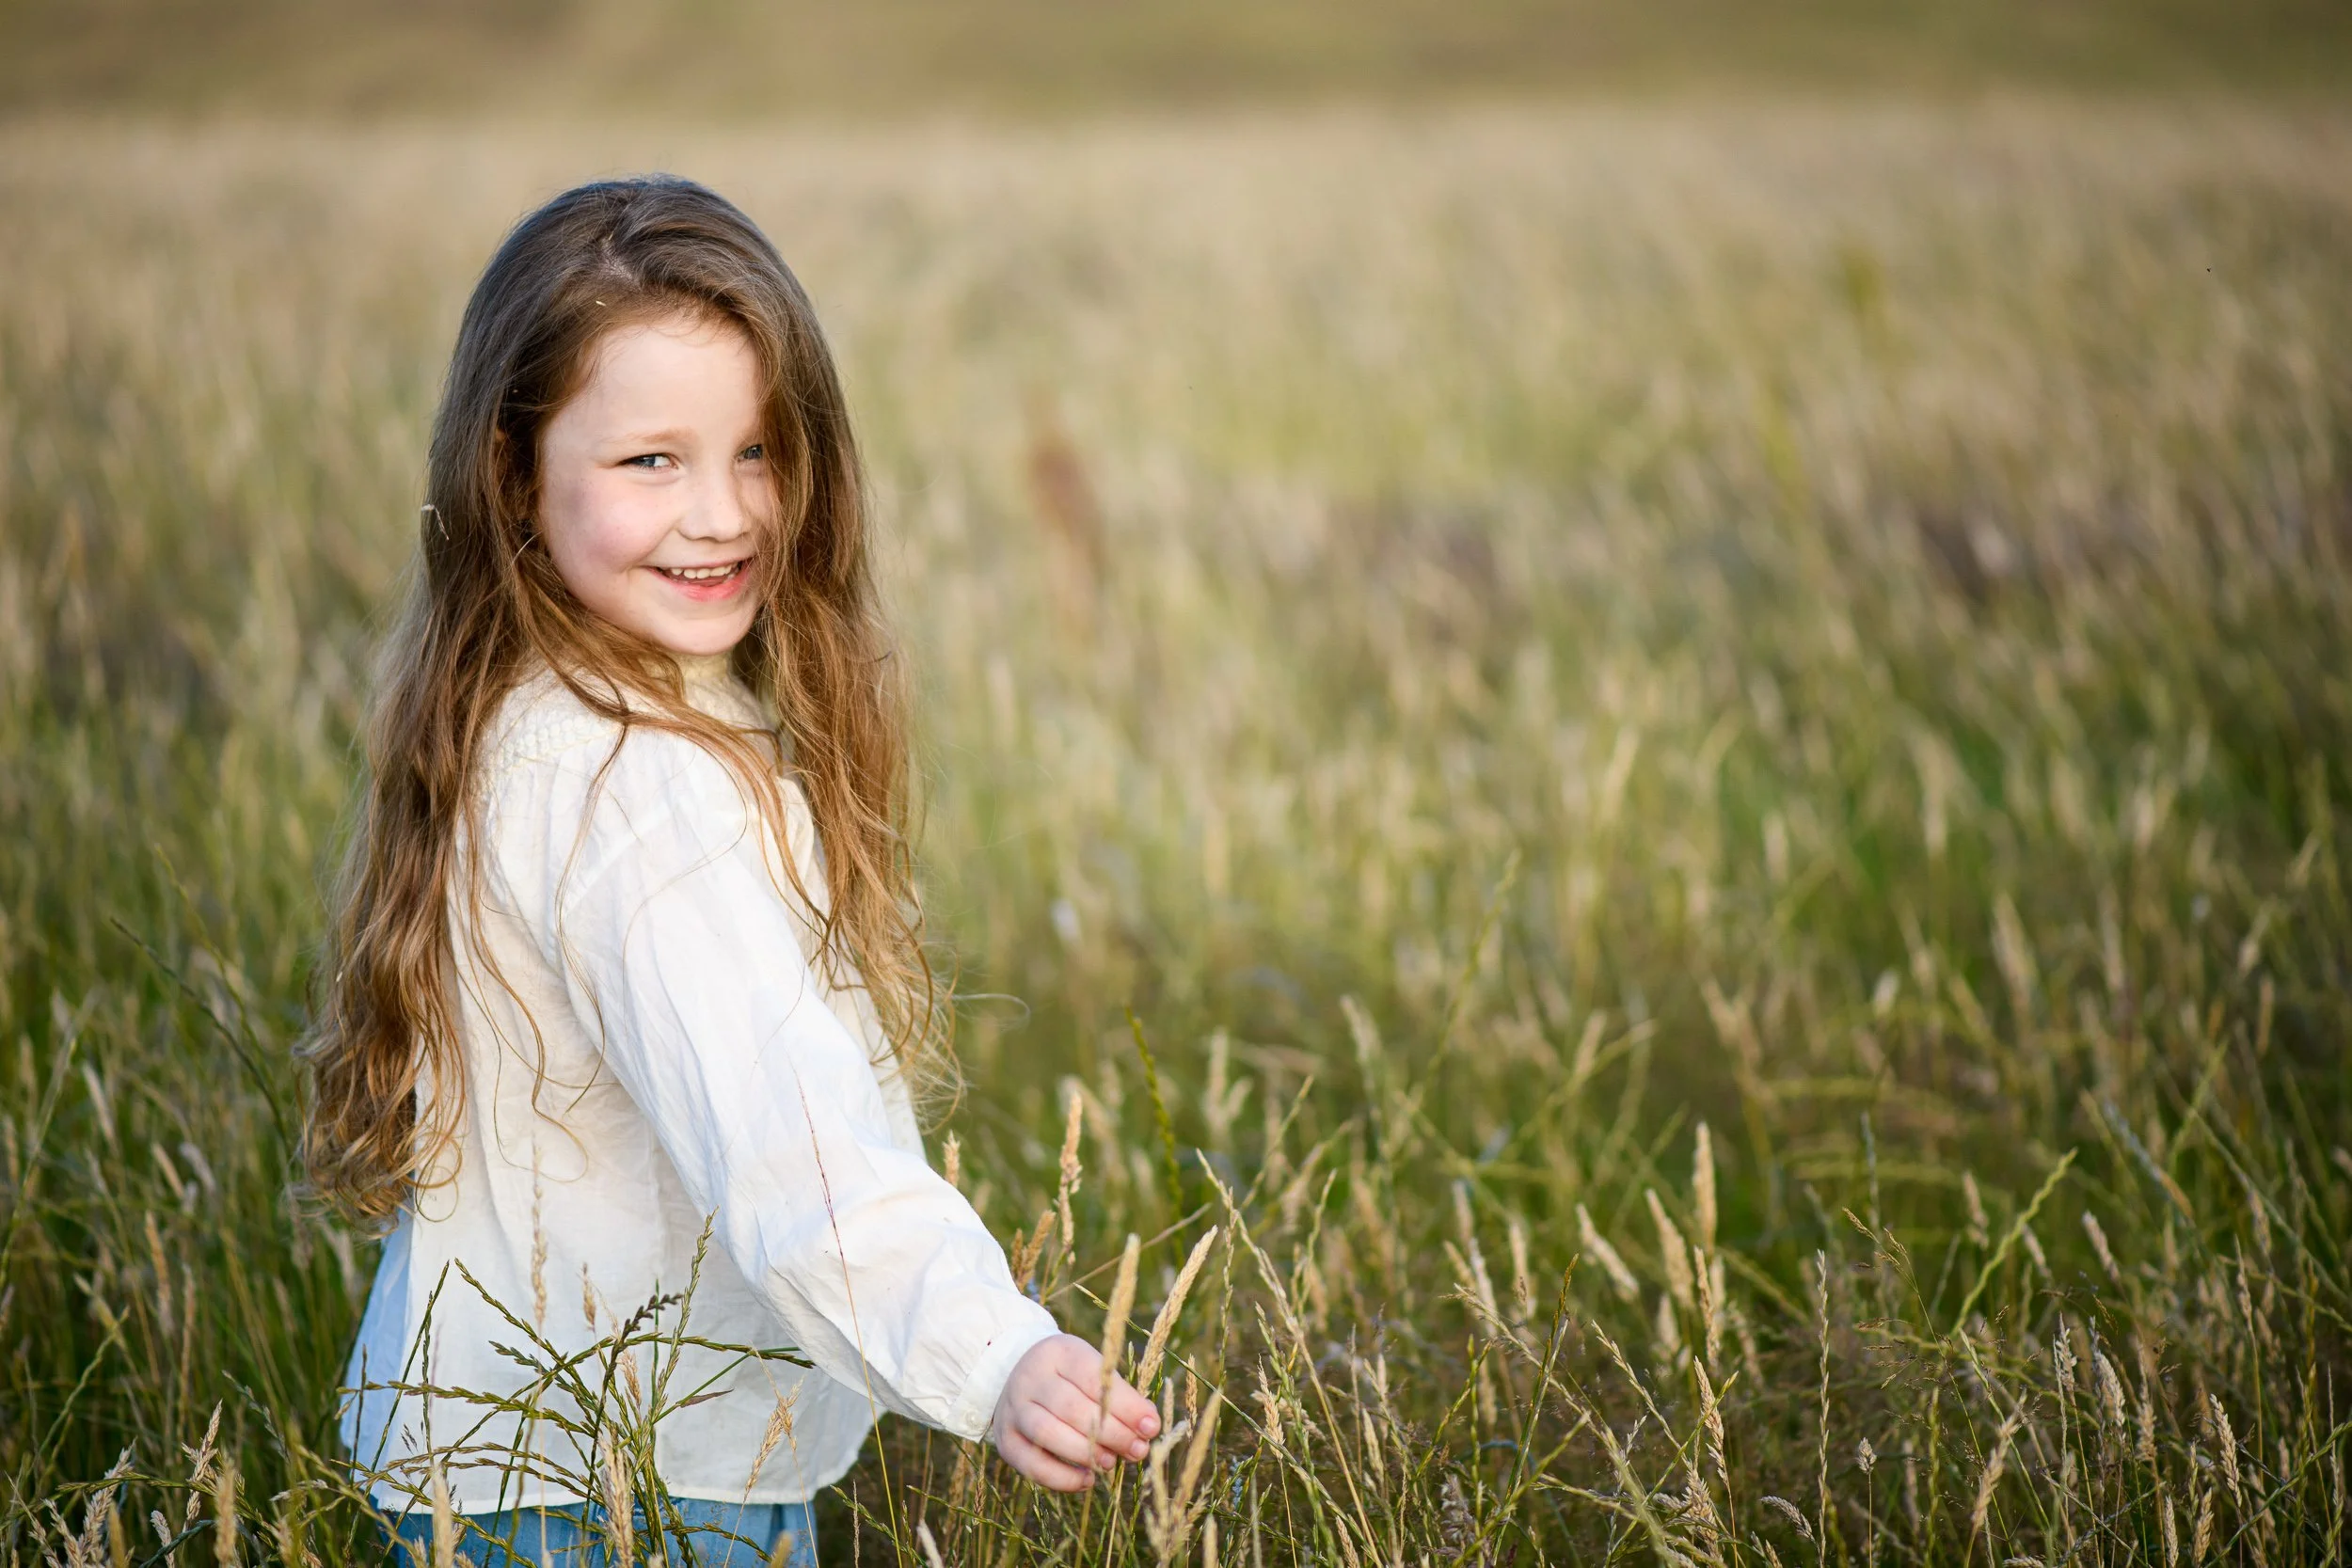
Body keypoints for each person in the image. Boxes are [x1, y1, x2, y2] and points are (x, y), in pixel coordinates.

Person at [297, 175, 1158, 1568]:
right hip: (613, 1493)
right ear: (515, 473)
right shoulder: (628, 785)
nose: (723, 514)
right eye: (652, 462)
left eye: (757, 451)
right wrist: (991, 1350)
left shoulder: (559, 706)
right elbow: (786, 1135)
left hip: (544, 1457)